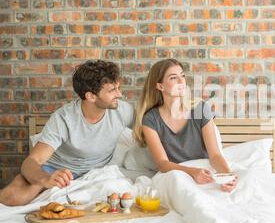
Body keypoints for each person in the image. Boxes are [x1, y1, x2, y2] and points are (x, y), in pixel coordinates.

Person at [0, 60, 134, 206]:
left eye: (118, 88)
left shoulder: (123, 111)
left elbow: (150, 130)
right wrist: (46, 179)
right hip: (57, 170)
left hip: (97, 174)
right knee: (10, 198)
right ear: (91, 96)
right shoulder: (64, 118)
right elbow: (31, 162)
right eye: (112, 90)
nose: (119, 94)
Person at [133, 58, 237, 192]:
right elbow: (162, 164)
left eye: (182, 75)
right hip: (177, 174)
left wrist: (227, 175)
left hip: (205, 172)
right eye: (173, 78)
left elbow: (215, 155)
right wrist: (192, 172)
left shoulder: (200, 109)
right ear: (160, 86)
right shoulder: (150, 119)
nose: (181, 81)